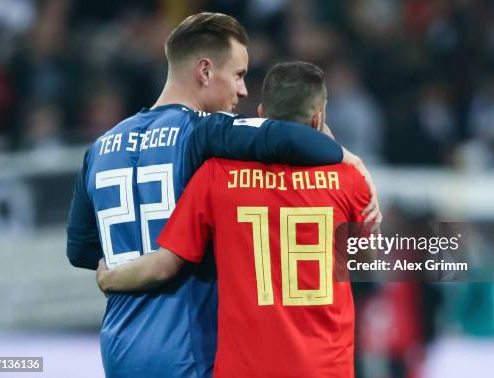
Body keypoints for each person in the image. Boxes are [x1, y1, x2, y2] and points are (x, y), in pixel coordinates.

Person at [66, 13, 380, 378]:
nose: (243, 91)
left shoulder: (100, 147)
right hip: (189, 349)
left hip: (119, 348)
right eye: (239, 75)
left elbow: (81, 250)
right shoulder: (201, 133)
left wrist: (122, 270)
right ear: (204, 71)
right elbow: (284, 136)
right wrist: (346, 157)